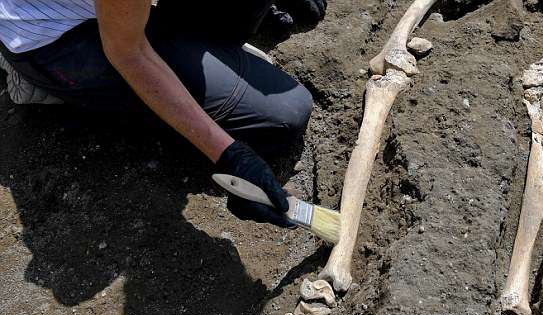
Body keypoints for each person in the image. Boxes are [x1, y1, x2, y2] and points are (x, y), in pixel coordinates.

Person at [0, 0, 326, 228]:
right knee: (282, 116)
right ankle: (49, 82)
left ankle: (184, 44)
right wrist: (230, 156)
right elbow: (128, 53)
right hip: (57, 36)